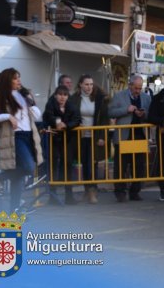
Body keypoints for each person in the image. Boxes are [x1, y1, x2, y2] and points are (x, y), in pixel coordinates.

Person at [0, 68, 44, 211]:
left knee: (18, 176)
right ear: (8, 80)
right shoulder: (0, 96)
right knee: (29, 167)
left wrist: (30, 102)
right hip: (15, 137)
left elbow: (37, 114)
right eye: (15, 78)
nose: (19, 81)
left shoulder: (22, 95)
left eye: (19, 78)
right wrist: (7, 116)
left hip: (28, 135)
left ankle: (14, 209)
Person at [108, 75, 151, 202]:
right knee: (121, 165)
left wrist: (144, 113)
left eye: (140, 88)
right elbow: (110, 112)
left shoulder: (146, 98)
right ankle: (120, 192)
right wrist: (126, 110)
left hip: (139, 135)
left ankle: (135, 191)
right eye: (136, 88)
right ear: (130, 85)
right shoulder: (119, 96)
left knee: (138, 165)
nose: (138, 91)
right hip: (124, 135)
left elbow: (151, 113)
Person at [69, 74, 109, 204]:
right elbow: (70, 115)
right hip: (80, 136)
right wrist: (76, 124)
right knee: (85, 163)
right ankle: (87, 190)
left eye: (91, 84)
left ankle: (93, 190)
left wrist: (102, 136)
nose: (89, 87)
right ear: (80, 84)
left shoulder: (99, 98)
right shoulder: (74, 99)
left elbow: (104, 119)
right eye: (86, 84)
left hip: (95, 136)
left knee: (93, 163)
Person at [43, 85, 81, 205]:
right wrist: (57, 121)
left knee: (68, 165)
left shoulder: (72, 106)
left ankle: (69, 196)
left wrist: (66, 125)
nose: (62, 97)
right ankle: (52, 196)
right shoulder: (50, 104)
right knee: (53, 165)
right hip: (53, 139)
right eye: (60, 94)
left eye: (65, 95)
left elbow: (77, 119)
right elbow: (47, 116)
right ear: (55, 95)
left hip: (68, 139)